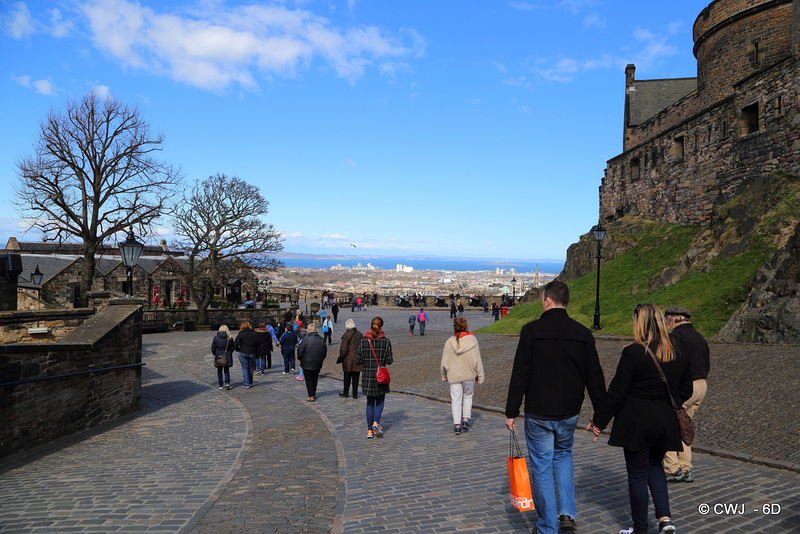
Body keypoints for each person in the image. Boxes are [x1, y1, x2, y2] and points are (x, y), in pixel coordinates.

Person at [504, 280, 606, 534]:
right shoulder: (583, 334)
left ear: (547, 300)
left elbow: (520, 374)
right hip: (569, 410)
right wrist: (601, 415)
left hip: (539, 411)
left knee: (541, 465)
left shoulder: (531, 331)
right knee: (563, 457)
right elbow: (594, 376)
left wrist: (511, 411)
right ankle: (567, 515)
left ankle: (547, 525)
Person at [588, 304, 692, 534]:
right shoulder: (677, 348)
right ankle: (665, 519)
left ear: (640, 323)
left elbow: (617, 391)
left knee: (637, 474)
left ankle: (640, 528)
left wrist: (598, 422)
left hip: (636, 422)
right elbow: (686, 387)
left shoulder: (634, 352)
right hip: (664, 420)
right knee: (655, 466)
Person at [662, 305, 710, 483]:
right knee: (684, 424)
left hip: (685, 386)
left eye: (667, 322)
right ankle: (686, 466)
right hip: (701, 385)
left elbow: (673, 364)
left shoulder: (675, 336)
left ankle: (672, 468)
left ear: (673, 319)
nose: (667, 326)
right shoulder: (698, 336)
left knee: (667, 424)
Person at [441, 317, 485, 435]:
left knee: (456, 400)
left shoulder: (449, 341)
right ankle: (465, 419)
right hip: (469, 374)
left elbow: (444, 361)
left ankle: (457, 425)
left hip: (454, 375)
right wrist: (480, 375)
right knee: (468, 396)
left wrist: (444, 375)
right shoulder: (472, 340)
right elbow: (477, 360)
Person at [356, 316, 393, 438]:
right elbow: (390, 360)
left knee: (370, 402)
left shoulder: (363, 341)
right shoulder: (385, 341)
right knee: (380, 400)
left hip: (367, 375)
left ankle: (369, 430)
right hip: (380, 375)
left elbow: (358, 359)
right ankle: (376, 422)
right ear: (381, 326)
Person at [296, 323, 327, 402]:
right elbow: (324, 352)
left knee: (309, 379)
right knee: (315, 378)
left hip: (307, 362)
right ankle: (313, 393)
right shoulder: (321, 339)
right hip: (317, 362)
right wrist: (321, 359)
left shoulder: (305, 340)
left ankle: (311, 395)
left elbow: (300, 351)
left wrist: (300, 359)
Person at [337, 319, 363, 398]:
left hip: (348, 359)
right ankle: (355, 394)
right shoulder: (360, 334)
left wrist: (340, 358)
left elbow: (344, 349)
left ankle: (346, 392)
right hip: (358, 359)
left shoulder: (346, 335)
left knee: (347, 377)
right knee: (356, 377)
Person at [233, 322, 259, 389]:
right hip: (252, 352)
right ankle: (250, 382)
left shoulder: (241, 334)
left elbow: (235, 344)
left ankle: (246, 384)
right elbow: (258, 343)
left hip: (243, 352)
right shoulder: (254, 334)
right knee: (250, 368)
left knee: (245, 368)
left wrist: (238, 349)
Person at [211, 324, 234, 390]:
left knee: (219, 370)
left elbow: (213, 347)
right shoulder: (229, 338)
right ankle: (227, 383)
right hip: (227, 354)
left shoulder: (216, 337)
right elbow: (232, 347)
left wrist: (215, 353)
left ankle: (221, 384)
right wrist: (229, 352)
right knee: (226, 370)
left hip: (219, 354)